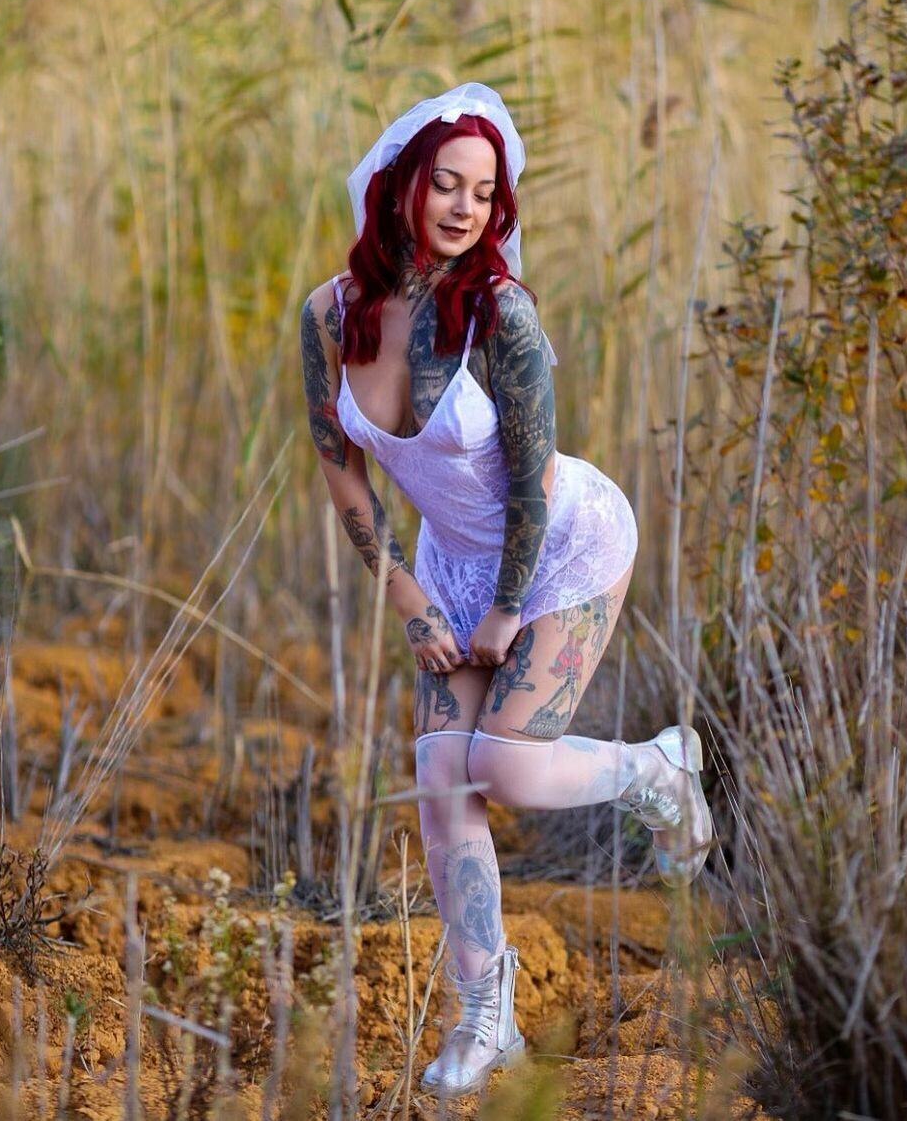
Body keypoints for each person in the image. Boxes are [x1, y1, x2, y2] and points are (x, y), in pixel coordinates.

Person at [299, 82, 714, 1100]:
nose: (463, 208)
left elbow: (532, 484)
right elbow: (340, 467)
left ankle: (657, 767)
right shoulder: (330, 313)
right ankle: (486, 1017)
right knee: (442, 774)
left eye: (484, 194)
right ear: (401, 185)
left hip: (558, 545)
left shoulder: (501, 315)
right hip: (448, 561)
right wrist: (409, 597)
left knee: (507, 767)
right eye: (446, 183)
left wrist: (503, 607)